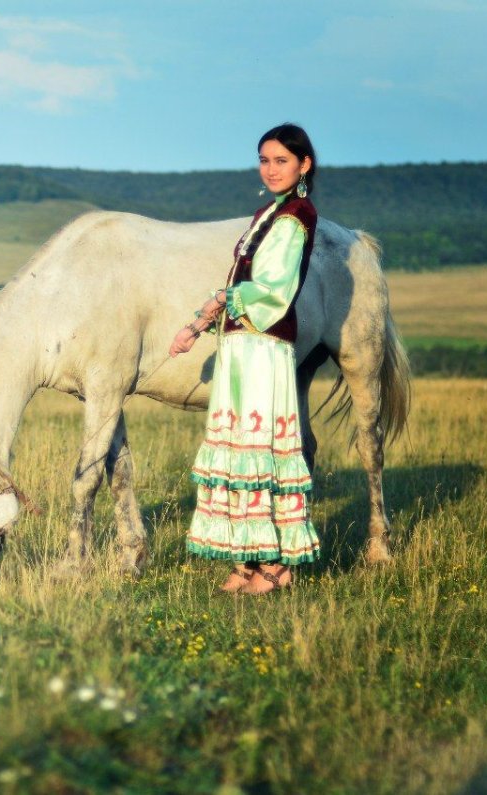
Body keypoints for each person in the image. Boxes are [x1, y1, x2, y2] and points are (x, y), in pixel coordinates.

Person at [169, 123, 321, 595]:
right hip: (239, 345)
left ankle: (276, 564)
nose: (271, 169)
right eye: (264, 160)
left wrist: (213, 304)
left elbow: (274, 287)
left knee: (259, 453)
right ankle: (246, 560)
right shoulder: (268, 213)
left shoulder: (298, 215)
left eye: (281, 160)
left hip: (263, 346)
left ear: (304, 165)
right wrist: (204, 321)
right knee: (239, 452)